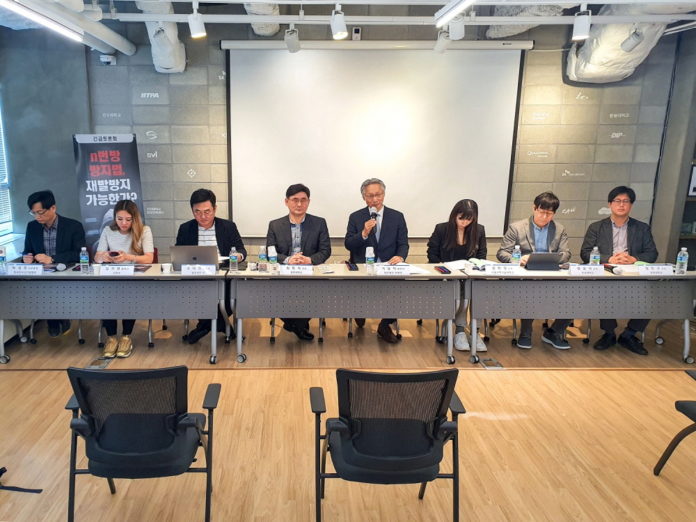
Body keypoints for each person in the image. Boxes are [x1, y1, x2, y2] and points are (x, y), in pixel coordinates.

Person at [580, 185, 658, 355]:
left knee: (653, 295)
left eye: (626, 201)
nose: (621, 205)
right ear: (610, 204)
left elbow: (652, 253)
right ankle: (609, 333)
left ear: (631, 205)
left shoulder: (642, 228)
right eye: (617, 201)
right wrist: (609, 258)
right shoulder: (596, 227)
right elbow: (585, 253)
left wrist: (633, 259)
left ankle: (629, 334)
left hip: (634, 274)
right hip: (607, 273)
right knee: (603, 291)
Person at [497, 192, 572, 350]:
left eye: (549, 213)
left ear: (554, 213)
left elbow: (566, 254)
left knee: (575, 292)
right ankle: (526, 333)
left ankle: (554, 332)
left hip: (551, 274)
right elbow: (502, 253)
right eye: (541, 212)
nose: (544, 216)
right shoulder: (517, 228)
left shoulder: (559, 229)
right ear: (534, 208)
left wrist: (553, 258)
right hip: (525, 276)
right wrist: (519, 259)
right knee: (530, 290)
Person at [175, 188, 247, 344]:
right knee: (189, 295)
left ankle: (203, 327)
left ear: (215, 208)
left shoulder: (228, 226)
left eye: (207, 212)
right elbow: (179, 256)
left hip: (223, 277)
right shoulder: (185, 228)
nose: (203, 216)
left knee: (232, 295)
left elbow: (242, 250)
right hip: (195, 278)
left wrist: (238, 256)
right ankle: (223, 327)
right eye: (198, 212)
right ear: (192, 211)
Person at [345, 178, 409, 343]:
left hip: (389, 267)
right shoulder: (356, 217)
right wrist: (364, 233)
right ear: (364, 197)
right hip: (364, 268)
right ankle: (359, 310)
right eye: (370, 196)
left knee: (399, 290)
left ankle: (384, 325)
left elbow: (403, 244)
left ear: (384, 194)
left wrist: (400, 256)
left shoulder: (397, 216)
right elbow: (349, 244)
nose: (375, 199)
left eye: (378, 195)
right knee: (360, 292)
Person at [266, 183, 331, 340]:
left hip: (310, 273)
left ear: (309, 202)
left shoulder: (319, 223)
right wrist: (288, 259)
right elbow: (270, 252)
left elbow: (325, 251)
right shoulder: (275, 225)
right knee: (273, 292)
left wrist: (309, 259)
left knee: (316, 291)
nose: (299, 204)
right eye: (295, 200)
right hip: (284, 273)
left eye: (303, 200)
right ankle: (298, 325)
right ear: (286, 201)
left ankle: (295, 324)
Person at [94, 200, 154, 358]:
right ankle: (111, 337)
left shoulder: (144, 230)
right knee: (106, 296)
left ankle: (126, 336)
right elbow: (97, 256)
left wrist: (128, 257)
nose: (124, 223)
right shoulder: (108, 230)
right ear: (115, 217)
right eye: (120, 219)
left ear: (135, 218)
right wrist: (104, 256)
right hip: (112, 274)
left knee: (129, 295)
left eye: (128, 219)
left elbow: (149, 258)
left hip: (134, 276)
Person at [22, 190, 85, 337]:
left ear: (53, 208)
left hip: (66, 273)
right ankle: (54, 321)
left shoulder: (73, 226)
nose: (37, 216)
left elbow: (79, 254)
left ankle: (59, 319)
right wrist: (27, 258)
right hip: (42, 276)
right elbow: (27, 251)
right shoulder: (32, 227)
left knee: (55, 289)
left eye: (40, 212)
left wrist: (53, 259)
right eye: (33, 213)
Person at [427, 199, 487, 352]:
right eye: (461, 218)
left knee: (481, 292)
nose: (464, 222)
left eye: (469, 219)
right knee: (461, 295)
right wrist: (443, 268)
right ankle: (460, 331)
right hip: (447, 277)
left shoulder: (479, 230)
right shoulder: (442, 229)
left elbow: (482, 256)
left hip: (470, 276)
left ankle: (475, 331)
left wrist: (475, 266)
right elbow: (432, 254)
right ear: (454, 215)